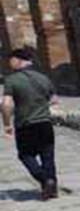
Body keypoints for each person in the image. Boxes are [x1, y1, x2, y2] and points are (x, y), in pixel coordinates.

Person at [2, 47, 59, 200]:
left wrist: (7, 124)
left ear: (18, 60)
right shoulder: (43, 78)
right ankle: (52, 187)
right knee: (47, 156)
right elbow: (54, 100)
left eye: (11, 60)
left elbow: (6, 104)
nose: (10, 64)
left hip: (25, 124)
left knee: (25, 155)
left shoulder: (11, 80)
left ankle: (44, 180)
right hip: (45, 123)